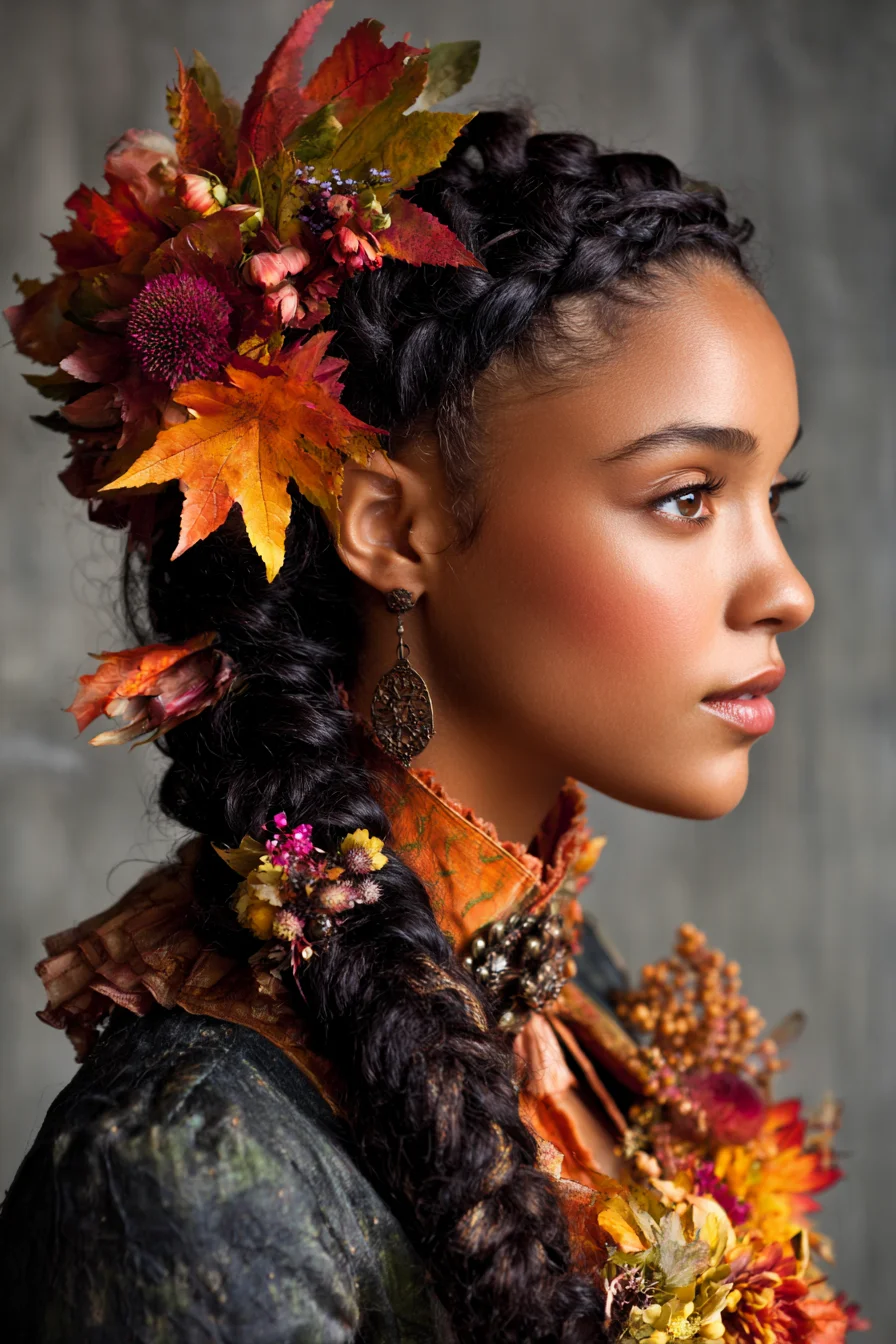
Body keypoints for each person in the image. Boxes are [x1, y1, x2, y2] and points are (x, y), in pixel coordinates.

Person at [0, 8, 866, 1342]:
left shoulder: (583, 1015)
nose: (787, 588)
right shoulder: (181, 1168)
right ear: (395, 532)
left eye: (773, 498)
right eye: (687, 496)